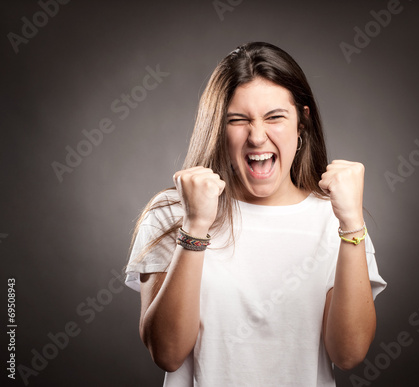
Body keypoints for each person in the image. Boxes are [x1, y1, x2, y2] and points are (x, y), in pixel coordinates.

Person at [125, 41, 386, 386]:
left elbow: (348, 353)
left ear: (302, 123)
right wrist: (196, 226)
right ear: (219, 128)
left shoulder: (336, 220)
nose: (257, 137)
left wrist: (352, 224)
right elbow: (168, 353)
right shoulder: (172, 213)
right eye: (238, 120)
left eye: (275, 117)